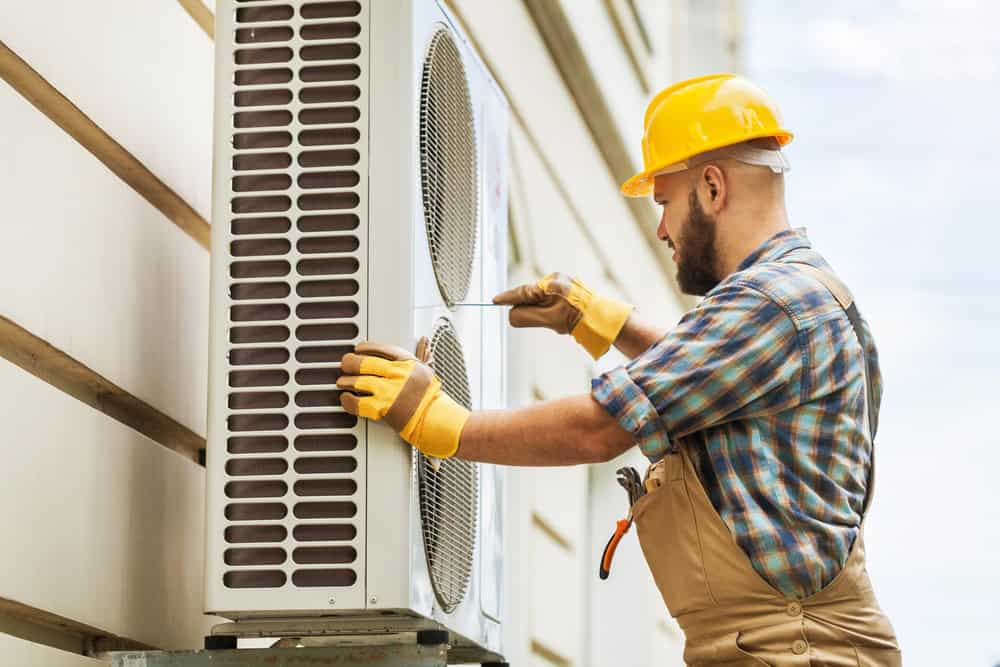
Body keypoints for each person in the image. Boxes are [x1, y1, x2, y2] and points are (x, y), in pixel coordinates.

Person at [337, 73, 901, 665]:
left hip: (795, 652)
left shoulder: (772, 301)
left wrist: (437, 421)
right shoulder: (795, 293)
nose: (661, 229)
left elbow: (599, 428)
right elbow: (717, 374)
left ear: (711, 187)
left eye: (664, 202)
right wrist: (602, 322)